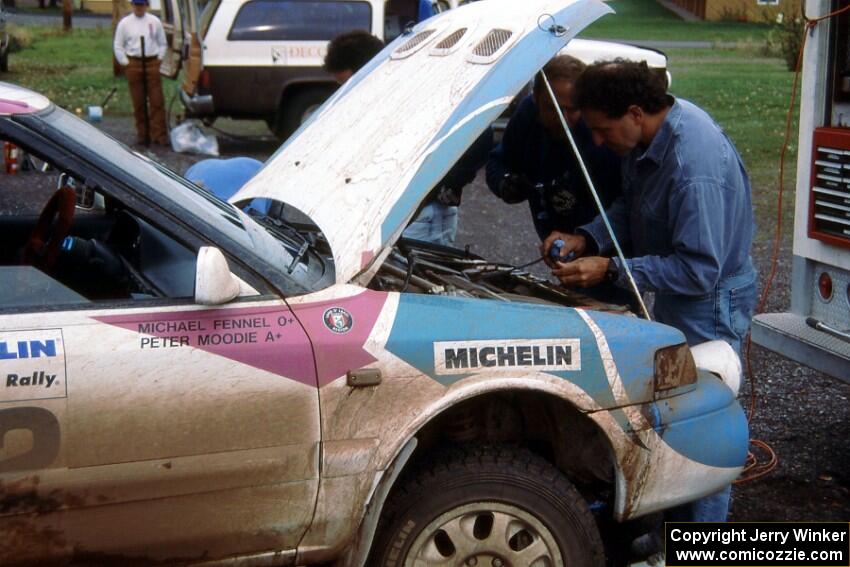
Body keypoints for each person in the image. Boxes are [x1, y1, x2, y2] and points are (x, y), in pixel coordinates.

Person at [544, 60, 757, 522]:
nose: (598, 142)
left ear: (636, 112)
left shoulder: (692, 165)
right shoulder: (647, 142)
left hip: (711, 300)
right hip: (684, 290)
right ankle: (670, 532)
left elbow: (699, 269)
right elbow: (632, 206)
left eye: (602, 130)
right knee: (671, 412)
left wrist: (611, 269)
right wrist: (590, 236)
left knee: (702, 425)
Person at [324, 30, 491, 246]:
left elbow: (480, 131)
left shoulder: (415, 94)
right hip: (394, 219)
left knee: (415, 278)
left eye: (349, 83)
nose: (346, 91)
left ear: (371, 69)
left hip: (420, 220)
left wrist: (445, 183)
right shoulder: (377, 101)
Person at [486, 55, 622, 244]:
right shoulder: (528, 115)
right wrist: (504, 183)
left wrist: (588, 238)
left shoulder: (599, 133)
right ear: (536, 97)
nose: (563, 119)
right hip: (553, 235)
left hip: (602, 245)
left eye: (572, 109)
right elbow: (498, 161)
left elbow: (625, 205)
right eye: (553, 108)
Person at [113, 0, 169, 147]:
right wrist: (125, 63)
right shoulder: (125, 23)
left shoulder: (154, 21)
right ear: (132, 6)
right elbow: (118, 45)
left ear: (146, 5)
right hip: (134, 63)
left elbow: (163, 43)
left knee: (157, 101)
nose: (139, 8)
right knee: (138, 102)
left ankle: (159, 135)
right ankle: (142, 135)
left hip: (152, 62)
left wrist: (159, 59)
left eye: (142, 5)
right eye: (136, 5)